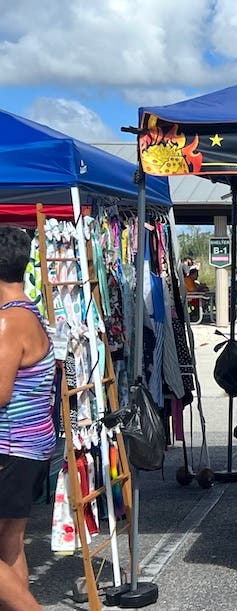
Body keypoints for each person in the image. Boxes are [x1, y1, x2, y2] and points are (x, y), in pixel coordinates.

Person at [0, 227, 56, 611]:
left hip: (11, 448)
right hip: (30, 446)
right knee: (10, 543)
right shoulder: (30, 310)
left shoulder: (10, 322)